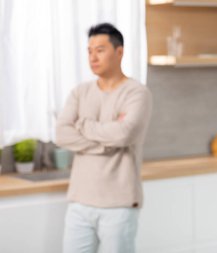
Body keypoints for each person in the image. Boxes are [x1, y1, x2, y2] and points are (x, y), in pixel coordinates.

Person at [56, 23, 152, 253]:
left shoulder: (137, 93)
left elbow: (124, 134)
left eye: (100, 49)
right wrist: (106, 143)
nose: (92, 56)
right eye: (89, 51)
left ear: (119, 52)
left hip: (119, 204)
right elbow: (61, 134)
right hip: (79, 202)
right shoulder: (80, 92)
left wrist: (83, 125)